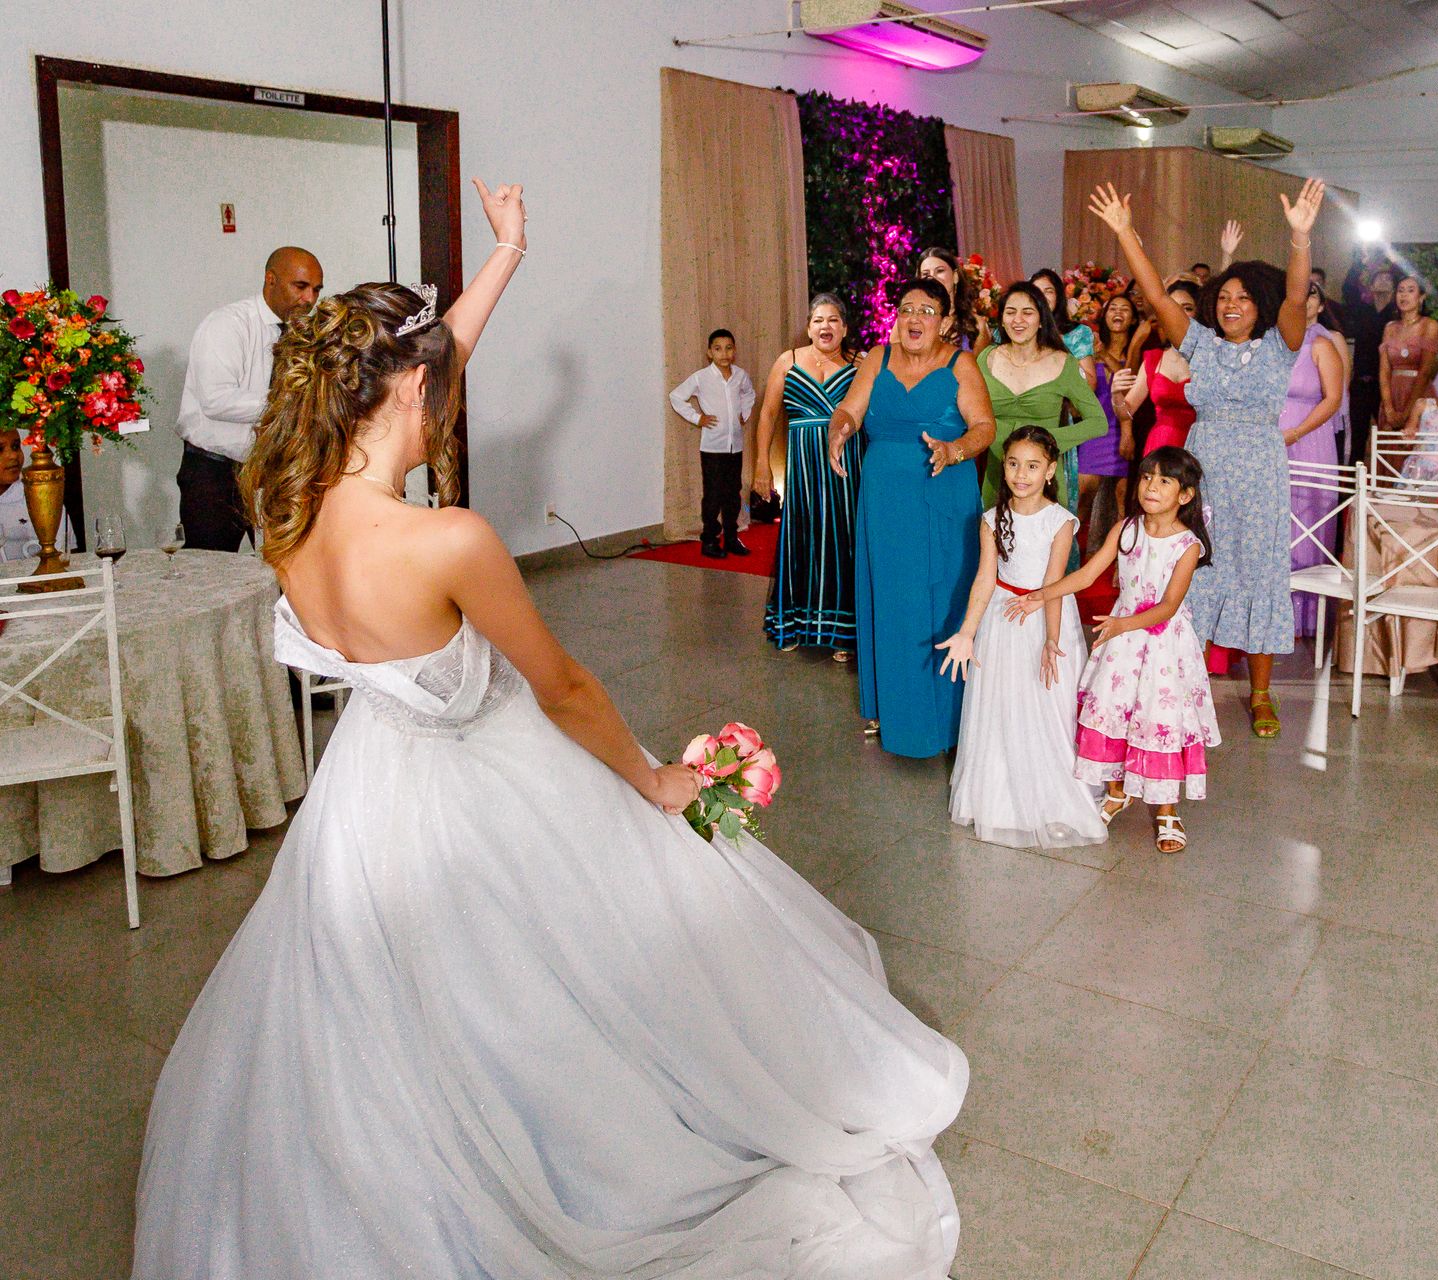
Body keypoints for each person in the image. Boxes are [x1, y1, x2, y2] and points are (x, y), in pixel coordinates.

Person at [134, 180, 968, 1279]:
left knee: (389, 999)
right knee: (577, 965)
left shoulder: (284, 499)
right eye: (445, 382)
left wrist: (507, 254)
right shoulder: (447, 539)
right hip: (487, 771)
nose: (456, 393)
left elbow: (429, 360)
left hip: (366, 790)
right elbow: (567, 687)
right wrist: (655, 778)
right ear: (416, 387)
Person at [1087, 176, 1325, 739]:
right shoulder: (1199, 344)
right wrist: (1125, 233)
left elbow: (1295, 297)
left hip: (1261, 473)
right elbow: (1156, 295)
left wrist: (1300, 239)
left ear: (1258, 306)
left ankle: (1261, 694)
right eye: (1223, 297)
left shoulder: (1280, 345)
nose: (1231, 305)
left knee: (1260, 573)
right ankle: (1181, 681)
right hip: (1204, 469)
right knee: (1194, 570)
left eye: (1242, 298)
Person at [1007, 447, 1219, 854]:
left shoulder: (1187, 545)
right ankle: (1117, 792)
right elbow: (1086, 575)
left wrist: (1122, 624)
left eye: (1163, 481)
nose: (1150, 487)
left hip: (1162, 648)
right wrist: (1040, 595)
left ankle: (1166, 810)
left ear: (1186, 495)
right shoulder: (1127, 528)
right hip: (1121, 648)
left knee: (1159, 721)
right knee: (1115, 713)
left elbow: (1169, 605)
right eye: (1145, 477)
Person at [829, 277, 996, 758]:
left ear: (945, 322)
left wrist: (955, 448)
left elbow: (985, 426)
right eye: (906, 309)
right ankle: (897, 711)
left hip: (943, 493)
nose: (914, 318)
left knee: (941, 597)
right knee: (894, 600)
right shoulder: (879, 358)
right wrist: (838, 432)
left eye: (926, 310)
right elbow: (850, 410)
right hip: (885, 501)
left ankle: (946, 719)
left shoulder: (961, 363)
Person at [938, 427, 1104, 849]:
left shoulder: (1061, 520)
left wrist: (1051, 640)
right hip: (1002, 620)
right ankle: (998, 798)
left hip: (1045, 617)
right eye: (1013, 464)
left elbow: (1053, 584)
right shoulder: (992, 519)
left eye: (1032, 466)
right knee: (1000, 703)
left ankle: (1053, 798)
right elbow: (984, 579)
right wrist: (967, 632)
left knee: (1047, 706)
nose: (1021, 474)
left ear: (1050, 471)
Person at [175, 244, 323, 550]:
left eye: (316, 290)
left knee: (281, 570)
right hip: (215, 474)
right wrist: (291, 406)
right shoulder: (227, 324)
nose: (309, 299)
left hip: (275, 470)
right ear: (271, 279)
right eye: (301, 286)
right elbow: (215, 400)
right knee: (212, 573)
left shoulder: (305, 333)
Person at [752, 293, 860, 657]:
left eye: (832, 320)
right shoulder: (788, 360)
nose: (825, 327)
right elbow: (767, 414)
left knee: (843, 541)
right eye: (818, 320)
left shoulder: (860, 365)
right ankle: (795, 623)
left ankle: (843, 633)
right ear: (808, 327)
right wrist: (761, 464)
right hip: (801, 468)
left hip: (846, 467)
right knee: (801, 537)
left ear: (844, 328)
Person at [973, 282, 1107, 507]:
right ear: (1002, 320)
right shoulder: (987, 358)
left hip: (1044, 482)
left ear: (1041, 320)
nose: (1018, 320)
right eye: (1010, 312)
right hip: (997, 477)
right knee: (992, 540)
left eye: (1027, 313)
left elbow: (1098, 422)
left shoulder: (1063, 362)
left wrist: (1047, 442)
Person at [1283, 286, 1349, 637]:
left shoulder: (1324, 344)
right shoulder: (1275, 341)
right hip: (1274, 435)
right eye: (1299, 294)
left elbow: (1334, 398)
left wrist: (1296, 431)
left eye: (1312, 296)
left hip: (1311, 435)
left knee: (1308, 517)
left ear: (1321, 305)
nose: (1304, 301)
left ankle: (1305, 615)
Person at [669, 328, 756, 558]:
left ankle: (731, 537)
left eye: (728, 348)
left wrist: (744, 414)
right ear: (710, 352)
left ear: (734, 351)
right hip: (712, 448)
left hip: (734, 446)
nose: (724, 353)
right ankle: (709, 540)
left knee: (733, 494)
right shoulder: (701, 377)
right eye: (718, 348)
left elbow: (750, 394)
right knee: (713, 495)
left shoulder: (740, 376)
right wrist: (698, 418)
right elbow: (676, 396)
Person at [1115, 279, 1202, 455]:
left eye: (1187, 308)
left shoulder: (1212, 357)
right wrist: (1116, 394)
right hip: (1159, 446)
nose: (1179, 314)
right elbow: (1126, 411)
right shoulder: (1154, 358)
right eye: (1173, 308)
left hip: (1198, 446)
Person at [1077, 292, 1139, 538]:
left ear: (1133, 319)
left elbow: (1129, 378)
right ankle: (1073, 552)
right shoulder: (1091, 350)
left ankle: (1118, 562)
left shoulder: (1138, 350)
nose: (1118, 313)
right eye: (1113, 308)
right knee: (1082, 493)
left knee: (1122, 501)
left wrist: (1104, 356)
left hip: (1123, 429)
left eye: (1125, 309)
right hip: (1096, 428)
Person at [1379, 275, 1438, 441]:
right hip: (1392, 395)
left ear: (1421, 297)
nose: (1404, 295)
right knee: (1387, 448)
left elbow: (1425, 371)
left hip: (1418, 394)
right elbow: (1384, 371)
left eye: (1410, 290)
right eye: (1400, 291)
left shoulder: (1429, 325)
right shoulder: (1390, 327)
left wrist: (1408, 412)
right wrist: (1388, 409)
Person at [1345, 266, 1395, 467]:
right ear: (1371, 286)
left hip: (1386, 386)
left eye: (1388, 279)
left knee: (1387, 438)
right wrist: (1361, 262)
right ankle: (1351, 491)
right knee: (1357, 439)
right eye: (1379, 278)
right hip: (1360, 382)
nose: (1383, 281)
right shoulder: (1362, 311)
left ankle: (1384, 485)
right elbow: (1348, 289)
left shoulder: (1396, 317)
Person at [0, 426, 73, 563]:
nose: (13, 455)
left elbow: (63, 557)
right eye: (0, 450)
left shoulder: (41, 494)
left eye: (16, 447)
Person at [918, 247, 982, 348]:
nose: (933, 278)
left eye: (939, 271)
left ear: (955, 276)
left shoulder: (977, 325)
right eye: (926, 274)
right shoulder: (911, 322)